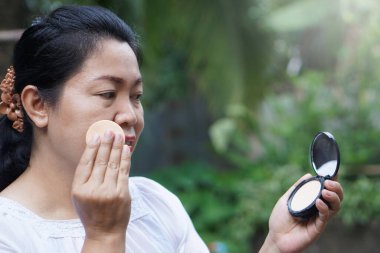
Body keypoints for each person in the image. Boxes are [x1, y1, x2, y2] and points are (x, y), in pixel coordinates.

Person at [0, 5, 343, 253]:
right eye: (107, 94)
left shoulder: (155, 203)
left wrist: (275, 246)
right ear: (37, 105)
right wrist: (104, 234)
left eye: (136, 96)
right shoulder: (8, 233)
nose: (130, 115)